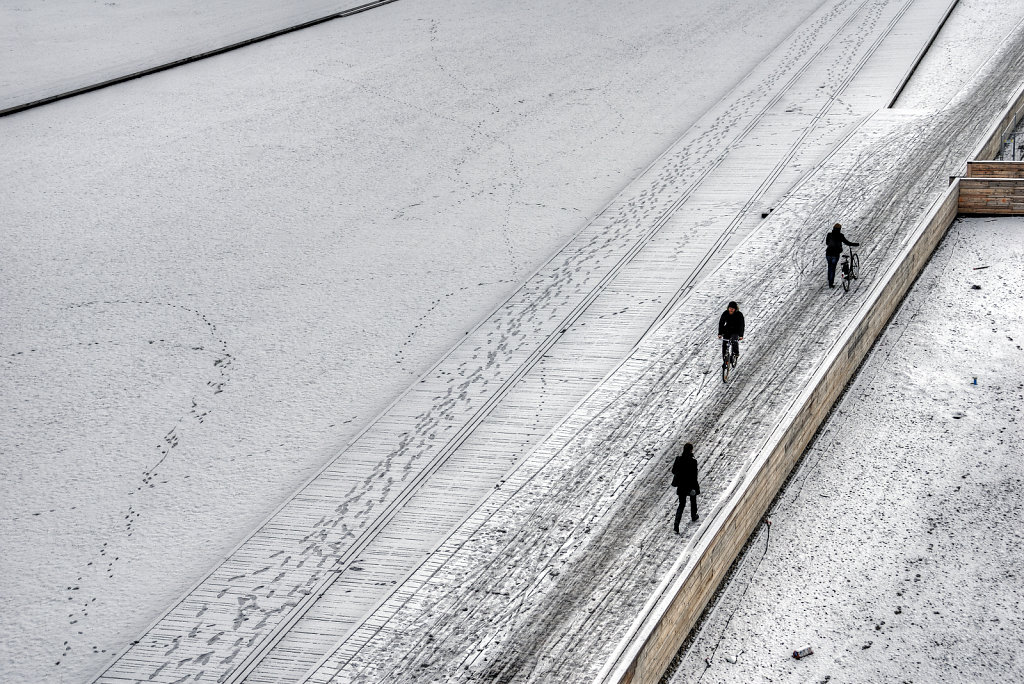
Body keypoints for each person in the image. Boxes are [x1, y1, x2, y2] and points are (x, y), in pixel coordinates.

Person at [672, 442, 701, 531]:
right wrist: (696, 487)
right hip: (690, 485)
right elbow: (694, 476)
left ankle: (677, 522)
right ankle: (693, 515)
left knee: (681, 504)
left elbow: (673, 471)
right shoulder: (693, 461)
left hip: (681, 485)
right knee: (693, 500)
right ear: (691, 450)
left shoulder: (678, 459)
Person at [825, 223, 859, 288]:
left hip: (828, 254)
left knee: (830, 267)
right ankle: (831, 283)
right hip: (835, 254)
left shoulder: (829, 235)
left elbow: (827, 243)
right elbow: (847, 243)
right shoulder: (840, 236)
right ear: (839, 229)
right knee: (833, 268)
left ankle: (830, 281)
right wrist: (856, 244)